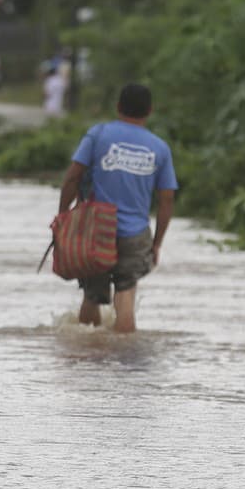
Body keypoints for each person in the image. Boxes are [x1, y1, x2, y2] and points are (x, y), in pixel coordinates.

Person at [56, 83, 177, 333]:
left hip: (96, 229)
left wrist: (63, 216)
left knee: (92, 295)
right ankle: (124, 360)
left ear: (118, 106)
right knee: (126, 291)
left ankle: (90, 353)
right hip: (136, 232)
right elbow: (166, 200)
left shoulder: (98, 135)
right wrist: (157, 243)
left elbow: (72, 178)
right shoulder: (160, 148)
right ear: (150, 110)